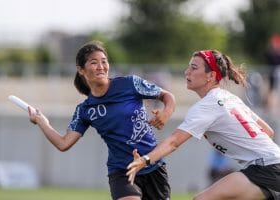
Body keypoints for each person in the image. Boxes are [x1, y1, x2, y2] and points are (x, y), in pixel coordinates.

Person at [28, 41, 176, 200]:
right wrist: (42, 122)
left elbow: (167, 96)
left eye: (104, 61)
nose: (101, 66)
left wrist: (166, 113)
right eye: (94, 62)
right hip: (122, 170)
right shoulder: (85, 110)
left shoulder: (130, 83)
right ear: (81, 70)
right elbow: (64, 143)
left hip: (153, 165)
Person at [127, 50, 280, 200]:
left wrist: (145, 160)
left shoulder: (206, 105)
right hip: (272, 163)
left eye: (194, 68)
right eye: (188, 67)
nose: (187, 72)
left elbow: (174, 142)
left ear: (211, 76)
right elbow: (268, 131)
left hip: (266, 168)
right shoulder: (229, 97)